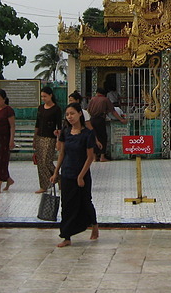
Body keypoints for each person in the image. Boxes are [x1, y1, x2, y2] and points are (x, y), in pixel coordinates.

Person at [50, 102, 99, 247]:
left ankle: (94, 225)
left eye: (72, 113)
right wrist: (55, 172)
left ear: (79, 114)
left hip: (82, 174)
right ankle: (66, 236)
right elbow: (61, 153)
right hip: (67, 173)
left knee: (85, 202)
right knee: (67, 205)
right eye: (67, 115)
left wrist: (80, 176)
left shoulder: (88, 134)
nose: (69, 117)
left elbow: (90, 157)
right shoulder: (65, 132)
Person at [33, 86, 62, 194]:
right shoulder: (40, 108)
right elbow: (37, 123)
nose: (43, 98)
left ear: (50, 95)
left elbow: (59, 126)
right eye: (42, 96)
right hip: (40, 136)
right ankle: (44, 185)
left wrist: (59, 140)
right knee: (40, 162)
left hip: (50, 137)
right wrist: (34, 138)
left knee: (47, 161)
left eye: (45, 96)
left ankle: (57, 177)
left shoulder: (56, 109)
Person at [87, 87, 126, 162]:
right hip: (100, 120)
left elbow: (88, 110)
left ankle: (95, 157)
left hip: (92, 119)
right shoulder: (105, 100)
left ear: (97, 92)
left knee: (94, 137)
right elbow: (113, 111)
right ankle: (102, 156)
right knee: (103, 137)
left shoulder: (92, 99)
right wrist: (121, 119)